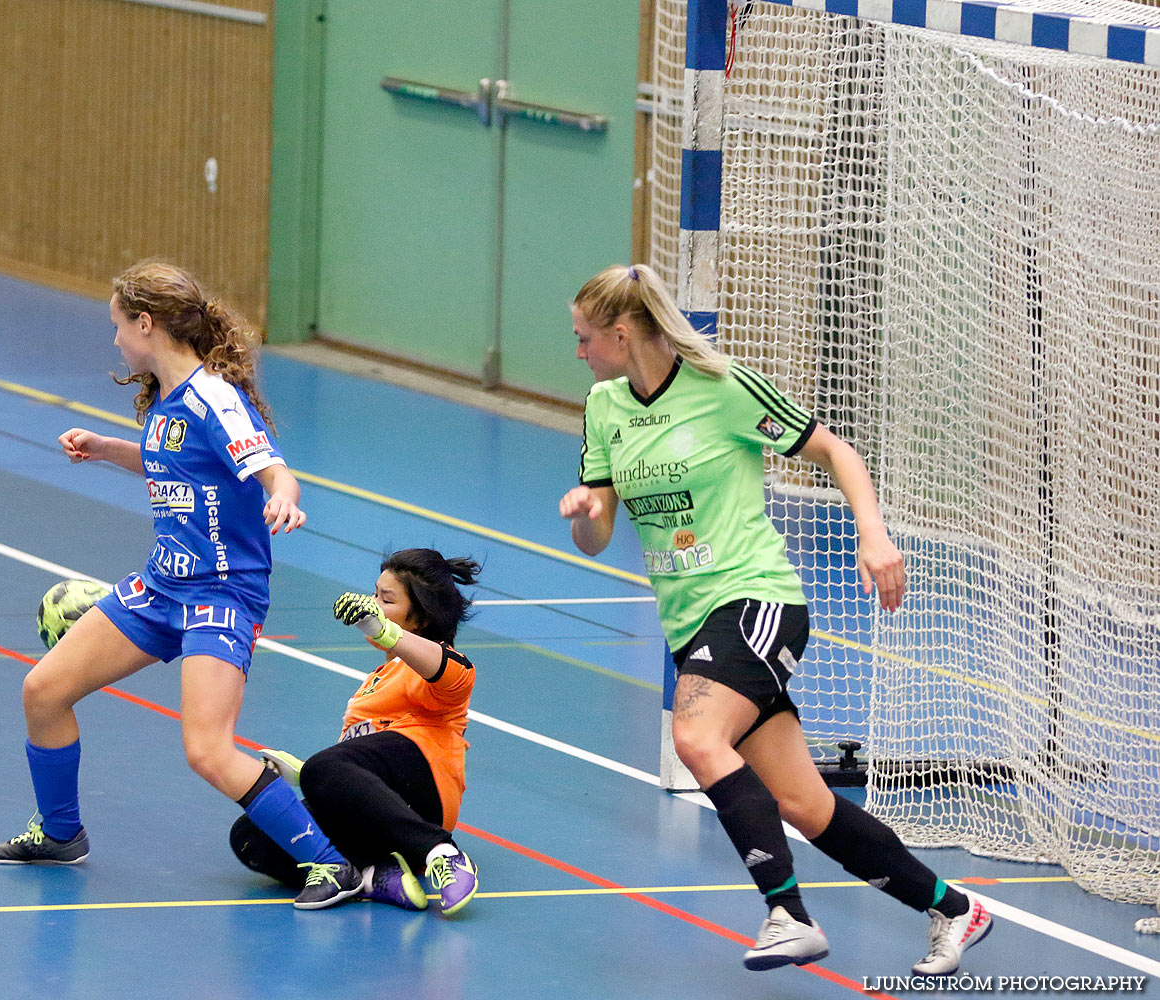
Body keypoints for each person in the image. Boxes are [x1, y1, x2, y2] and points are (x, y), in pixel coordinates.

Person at [558, 264, 992, 975]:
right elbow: (599, 532)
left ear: (621, 331)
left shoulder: (722, 389)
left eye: (583, 339)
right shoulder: (605, 407)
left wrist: (872, 533)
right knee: (803, 802)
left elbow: (834, 450)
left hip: (755, 599)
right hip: (690, 622)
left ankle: (787, 914)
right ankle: (952, 908)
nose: (578, 353)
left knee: (695, 735)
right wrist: (586, 511)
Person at [0, 260, 363, 910]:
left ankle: (331, 865)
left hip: (223, 595)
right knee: (44, 691)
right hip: (162, 587)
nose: (114, 342)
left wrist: (284, 498)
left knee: (208, 750)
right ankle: (59, 831)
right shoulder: (166, 399)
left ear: (146, 323)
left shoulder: (215, 396)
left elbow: (273, 469)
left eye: (117, 326)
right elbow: (173, 464)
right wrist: (108, 447)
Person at [228, 549, 482, 916]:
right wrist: (301, 775)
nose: (373, 605)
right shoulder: (372, 684)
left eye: (386, 600)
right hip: (376, 814)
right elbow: (351, 771)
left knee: (322, 769)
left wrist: (388, 633)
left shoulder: (428, 667)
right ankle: (372, 874)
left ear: (421, 617)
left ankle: (443, 855)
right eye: (374, 595)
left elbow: (456, 673)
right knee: (252, 835)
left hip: (425, 795)